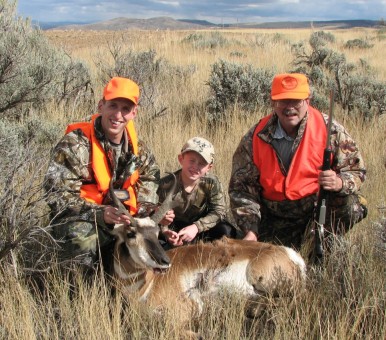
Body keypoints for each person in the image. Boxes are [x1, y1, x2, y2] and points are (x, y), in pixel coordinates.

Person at [229, 73, 367, 251]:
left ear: (308, 100)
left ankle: (320, 242)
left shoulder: (330, 130)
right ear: (273, 102)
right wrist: (251, 230)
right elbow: (241, 188)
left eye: (296, 101)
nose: (289, 107)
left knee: (351, 205)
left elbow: (357, 170)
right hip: (275, 214)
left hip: (315, 210)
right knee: (268, 258)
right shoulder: (255, 136)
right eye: (283, 101)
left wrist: (339, 182)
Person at [44, 77, 160, 274]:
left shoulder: (138, 149)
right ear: (101, 105)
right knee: (82, 239)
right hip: (83, 218)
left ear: (134, 113)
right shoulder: (75, 144)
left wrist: (143, 212)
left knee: (157, 236)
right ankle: (82, 293)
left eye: (125, 109)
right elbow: (57, 195)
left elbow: (150, 180)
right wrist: (99, 213)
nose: (117, 114)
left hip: (125, 219)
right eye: (112, 105)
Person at [158, 137, 237, 248]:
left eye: (201, 163)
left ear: (209, 167)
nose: (195, 166)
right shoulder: (166, 184)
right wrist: (166, 233)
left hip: (201, 227)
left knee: (226, 231)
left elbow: (219, 211)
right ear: (181, 159)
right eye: (192, 160)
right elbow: (159, 216)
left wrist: (196, 227)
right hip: (175, 229)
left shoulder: (212, 182)